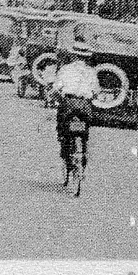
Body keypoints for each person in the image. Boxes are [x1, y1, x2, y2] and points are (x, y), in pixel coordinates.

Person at [49, 41, 100, 177]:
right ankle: (83, 151)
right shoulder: (91, 72)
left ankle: (65, 148)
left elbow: (56, 88)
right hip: (85, 105)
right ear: (87, 57)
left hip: (68, 103)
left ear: (73, 55)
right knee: (84, 131)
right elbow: (96, 91)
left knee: (62, 130)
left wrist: (55, 96)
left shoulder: (65, 69)